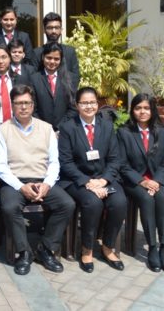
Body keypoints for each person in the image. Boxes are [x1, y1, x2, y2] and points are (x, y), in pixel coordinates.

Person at [0, 85, 75, 276]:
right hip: (14, 182)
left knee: (67, 204)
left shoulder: (46, 128)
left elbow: (54, 162)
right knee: (9, 207)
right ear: (12, 105)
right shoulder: (2, 130)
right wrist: (21, 187)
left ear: (33, 105)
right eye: (18, 103)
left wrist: (47, 184)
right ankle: (24, 252)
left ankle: (45, 249)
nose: (23, 107)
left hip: (42, 180)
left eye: (27, 103)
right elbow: (1, 167)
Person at [57, 87, 126, 273]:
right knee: (93, 203)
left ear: (98, 104)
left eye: (93, 102)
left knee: (119, 202)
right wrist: (87, 182)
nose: (89, 106)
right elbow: (66, 162)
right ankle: (87, 249)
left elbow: (115, 159)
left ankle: (108, 247)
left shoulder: (107, 126)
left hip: (104, 178)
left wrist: (103, 181)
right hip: (77, 180)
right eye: (84, 103)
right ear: (77, 105)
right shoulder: (68, 128)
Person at [117, 93, 164, 272]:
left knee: (162, 198)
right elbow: (122, 164)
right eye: (138, 108)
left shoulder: (163, 132)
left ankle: (163, 246)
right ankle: (152, 247)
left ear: (152, 110)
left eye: (146, 108)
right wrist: (142, 181)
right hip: (135, 181)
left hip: (159, 180)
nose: (142, 112)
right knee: (147, 199)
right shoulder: (124, 132)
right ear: (132, 110)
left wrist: (156, 181)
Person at [29, 43, 78, 131]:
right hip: (41, 130)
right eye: (49, 58)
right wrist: (45, 128)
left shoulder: (70, 78)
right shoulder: (34, 79)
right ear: (43, 57)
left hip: (64, 130)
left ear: (61, 60)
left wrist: (60, 127)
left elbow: (73, 108)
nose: (52, 62)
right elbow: (32, 108)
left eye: (56, 59)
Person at [31, 12, 80, 84]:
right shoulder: (36, 53)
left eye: (57, 28)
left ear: (61, 30)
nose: (53, 31)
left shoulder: (70, 51)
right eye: (50, 28)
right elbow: (33, 78)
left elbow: (76, 77)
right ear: (44, 30)